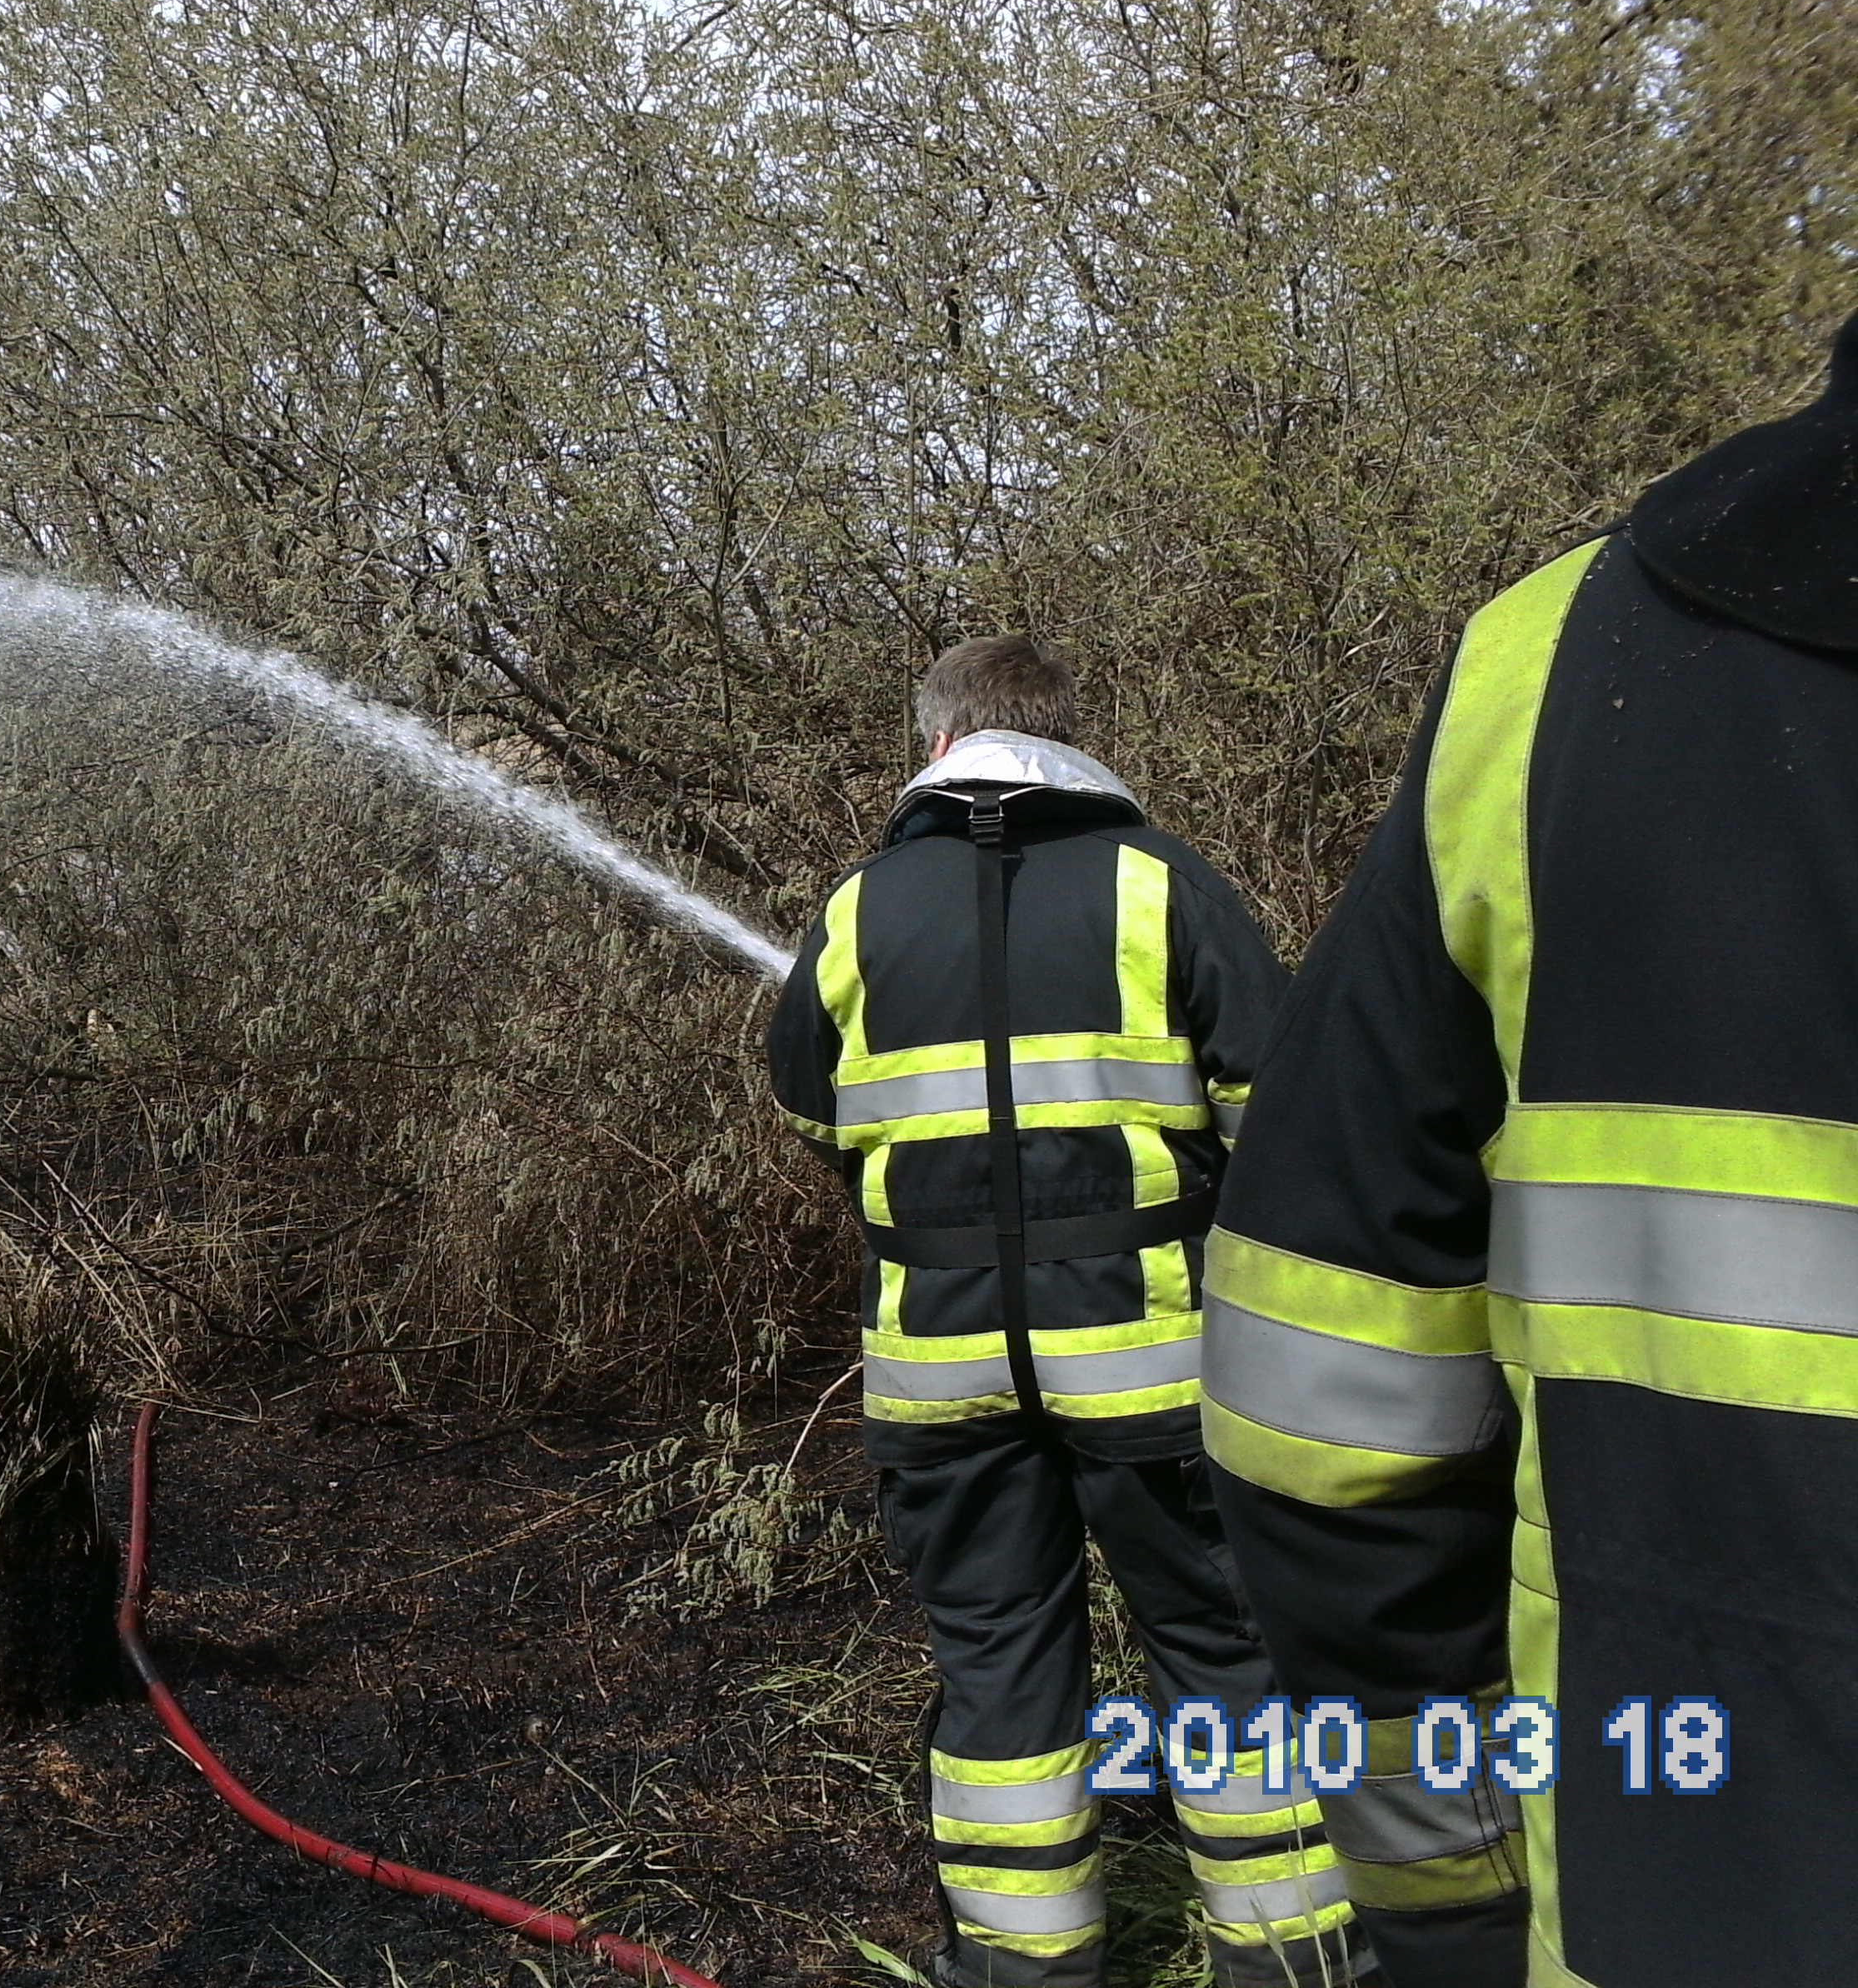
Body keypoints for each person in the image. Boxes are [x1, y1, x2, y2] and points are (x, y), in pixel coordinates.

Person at [1201, 308, 1858, 1988]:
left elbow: (1318, 1395)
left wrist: (1448, 1897)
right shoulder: (1159, 890)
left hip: (1661, 1899)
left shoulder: (1556, 669)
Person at [770, 639, 1371, 1988]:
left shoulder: (859, 909)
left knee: (997, 1667)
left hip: (940, 1372)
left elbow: (815, 1112)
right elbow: (1281, 1117)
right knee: (1225, 1650)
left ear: (934, 745)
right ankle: (1292, 1962)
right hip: (1156, 1367)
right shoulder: (1166, 885)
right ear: (1066, 732)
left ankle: (1028, 1966)